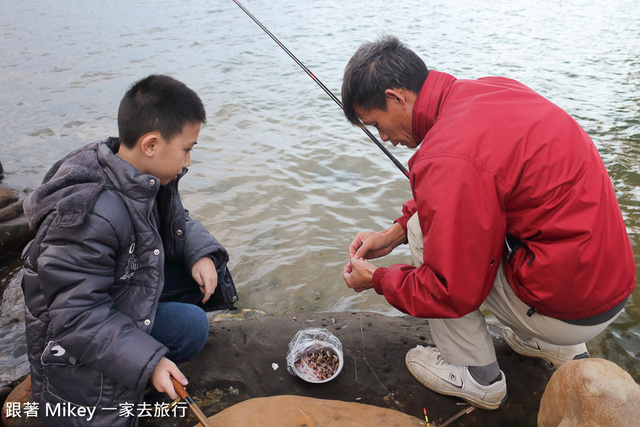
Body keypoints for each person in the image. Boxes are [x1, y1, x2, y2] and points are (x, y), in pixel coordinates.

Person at [340, 36, 635, 410]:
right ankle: (554, 345)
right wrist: (391, 234)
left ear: (397, 97)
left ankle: (477, 376)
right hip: (608, 289)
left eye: (376, 124)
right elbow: (474, 179)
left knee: (424, 234)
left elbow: (449, 289)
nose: (383, 137)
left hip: (566, 310)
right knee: (420, 227)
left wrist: (378, 280)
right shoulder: (493, 90)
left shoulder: (446, 156)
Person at [21, 74, 238, 426]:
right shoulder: (88, 213)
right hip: (72, 351)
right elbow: (76, 318)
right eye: (187, 149)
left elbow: (175, 220)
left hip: (111, 297)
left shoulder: (136, 172)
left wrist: (201, 254)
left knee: (194, 324)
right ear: (151, 144)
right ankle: (132, 367)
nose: (188, 161)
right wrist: (148, 363)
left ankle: (136, 357)